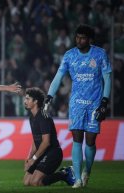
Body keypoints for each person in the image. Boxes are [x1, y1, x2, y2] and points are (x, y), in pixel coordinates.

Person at [43, 24, 112, 188]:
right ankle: (77, 179)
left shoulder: (100, 54)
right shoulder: (69, 55)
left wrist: (104, 102)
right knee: (77, 138)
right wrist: (49, 96)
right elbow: (59, 76)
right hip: (76, 104)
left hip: (95, 104)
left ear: (90, 40)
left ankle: (86, 171)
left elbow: (107, 78)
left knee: (90, 140)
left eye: (82, 38)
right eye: (77, 37)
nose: (79, 40)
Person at [23, 87, 75, 187]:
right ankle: (47, 174)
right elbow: (35, 141)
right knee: (26, 182)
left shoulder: (43, 116)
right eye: (25, 98)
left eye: (28, 99)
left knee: (35, 182)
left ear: (35, 101)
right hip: (42, 154)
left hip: (53, 153)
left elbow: (46, 142)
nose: (25, 101)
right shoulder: (31, 117)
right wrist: (28, 158)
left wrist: (33, 159)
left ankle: (64, 174)